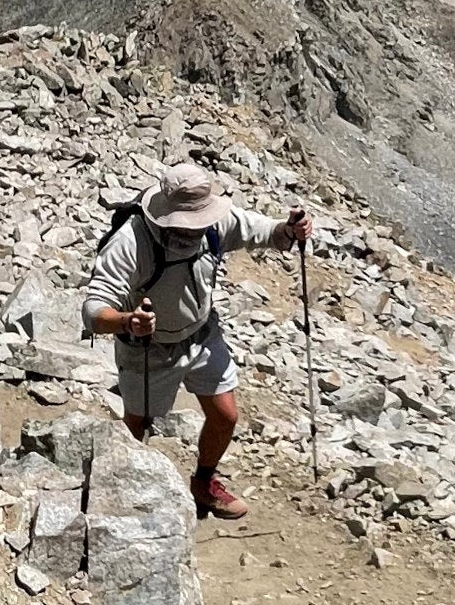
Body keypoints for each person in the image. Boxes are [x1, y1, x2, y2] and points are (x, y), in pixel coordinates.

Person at [83, 161, 311, 519]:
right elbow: (94, 309)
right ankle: (115, 491)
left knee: (226, 415)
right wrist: (128, 321)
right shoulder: (131, 240)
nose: (193, 232)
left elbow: (263, 231)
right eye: (186, 225)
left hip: (202, 334)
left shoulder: (214, 223)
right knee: (137, 424)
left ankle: (204, 483)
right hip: (148, 349)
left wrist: (289, 229)